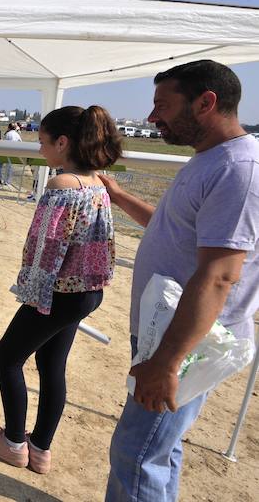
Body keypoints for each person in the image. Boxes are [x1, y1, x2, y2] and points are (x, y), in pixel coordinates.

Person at [101, 60, 259, 501]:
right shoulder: (211, 160)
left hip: (188, 342)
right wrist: (119, 197)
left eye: (162, 105)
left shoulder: (238, 171)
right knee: (159, 450)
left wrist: (168, 363)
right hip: (169, 333)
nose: (153, 117)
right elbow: (174, 230)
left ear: (206, 102)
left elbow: (219, 275)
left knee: (136, 453)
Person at [0, 105, 122, 474]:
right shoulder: (97, 183)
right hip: (86, 293)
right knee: (52, 364)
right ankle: (40, 449)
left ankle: (12, 443)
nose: (39, 149)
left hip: (58, 293)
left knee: (7, 357)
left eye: (42, 142)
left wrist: (32, 295)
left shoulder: (61, 186)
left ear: (63, 142)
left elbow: (45, 248)